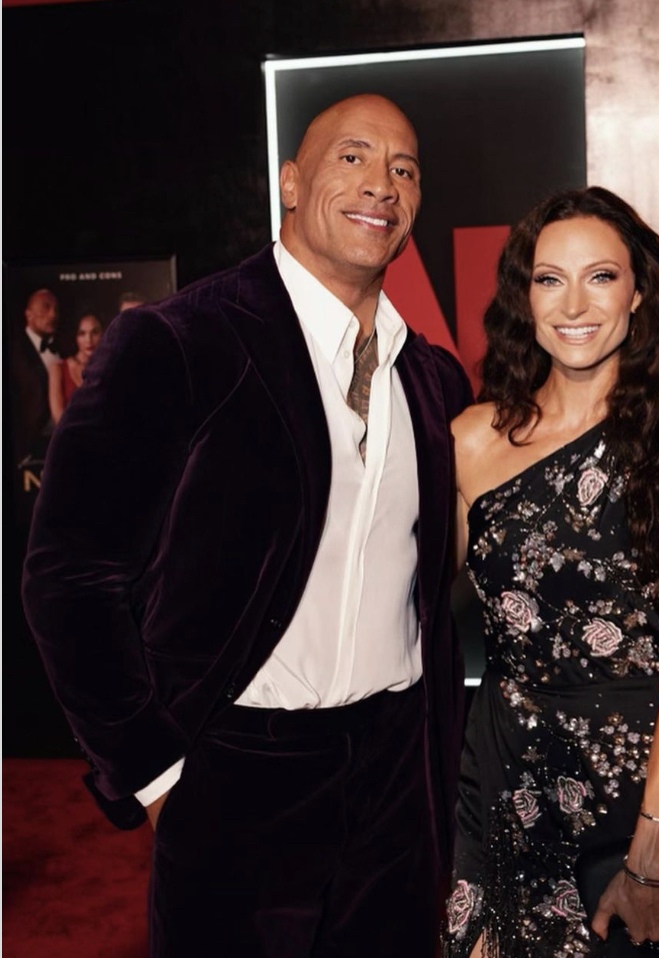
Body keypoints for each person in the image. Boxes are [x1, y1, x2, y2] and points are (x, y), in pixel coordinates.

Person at [22, 94, 472, 958]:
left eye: (404, 169)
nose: (381, 183)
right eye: (352, 157)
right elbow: (69, 576)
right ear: (290, 183)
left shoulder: (433, 379)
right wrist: (154, 774)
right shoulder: (177, 341)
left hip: (396, 782)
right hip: (238, 770)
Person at [446, 187, 659, 957]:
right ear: (525, 296)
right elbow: (407, 607)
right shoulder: (470, 441)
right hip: (498, 778)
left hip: (639, 795)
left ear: (637, 294)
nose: (573, 304)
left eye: (600, 277)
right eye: (549, 279)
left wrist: (648, 862)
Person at [10, 288, 61, 460]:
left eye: (56, 309)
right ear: (29, 314)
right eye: (46, 307)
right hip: (26, 450)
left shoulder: (64, 348)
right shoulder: (12, 353)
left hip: (58, 446)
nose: (53, 314)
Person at [48, 312, 103, 424]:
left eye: (94, 332)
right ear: (75, 336)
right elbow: (58, 418)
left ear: (103, 334)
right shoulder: (58, 368)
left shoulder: (109, 368)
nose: (89, 340)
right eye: (82, 333)